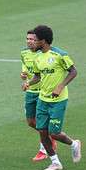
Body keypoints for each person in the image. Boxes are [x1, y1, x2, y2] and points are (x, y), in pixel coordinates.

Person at [22, 25, 81, 170]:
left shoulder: (60, 55)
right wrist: (29, 83)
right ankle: (55, 162)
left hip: (58, 100)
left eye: (34, 40)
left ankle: (74, 144)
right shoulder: (38, 57)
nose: (32, 43)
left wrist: (60, 86)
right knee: (42, 131)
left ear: (43, 41)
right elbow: (37, 76)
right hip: (43, 99)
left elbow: (73, 72)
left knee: (54, 132)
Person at [20, 30, 57, 161]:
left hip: (42, 92)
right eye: (27, 38)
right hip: (30, 91)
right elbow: (25, 65)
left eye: (32, 39)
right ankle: (49, 137)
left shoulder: (43, 53)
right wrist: (23, 74)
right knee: (31, 122)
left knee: (41, 123)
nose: (29, 41)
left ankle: (44, 149)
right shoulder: (23, 53)